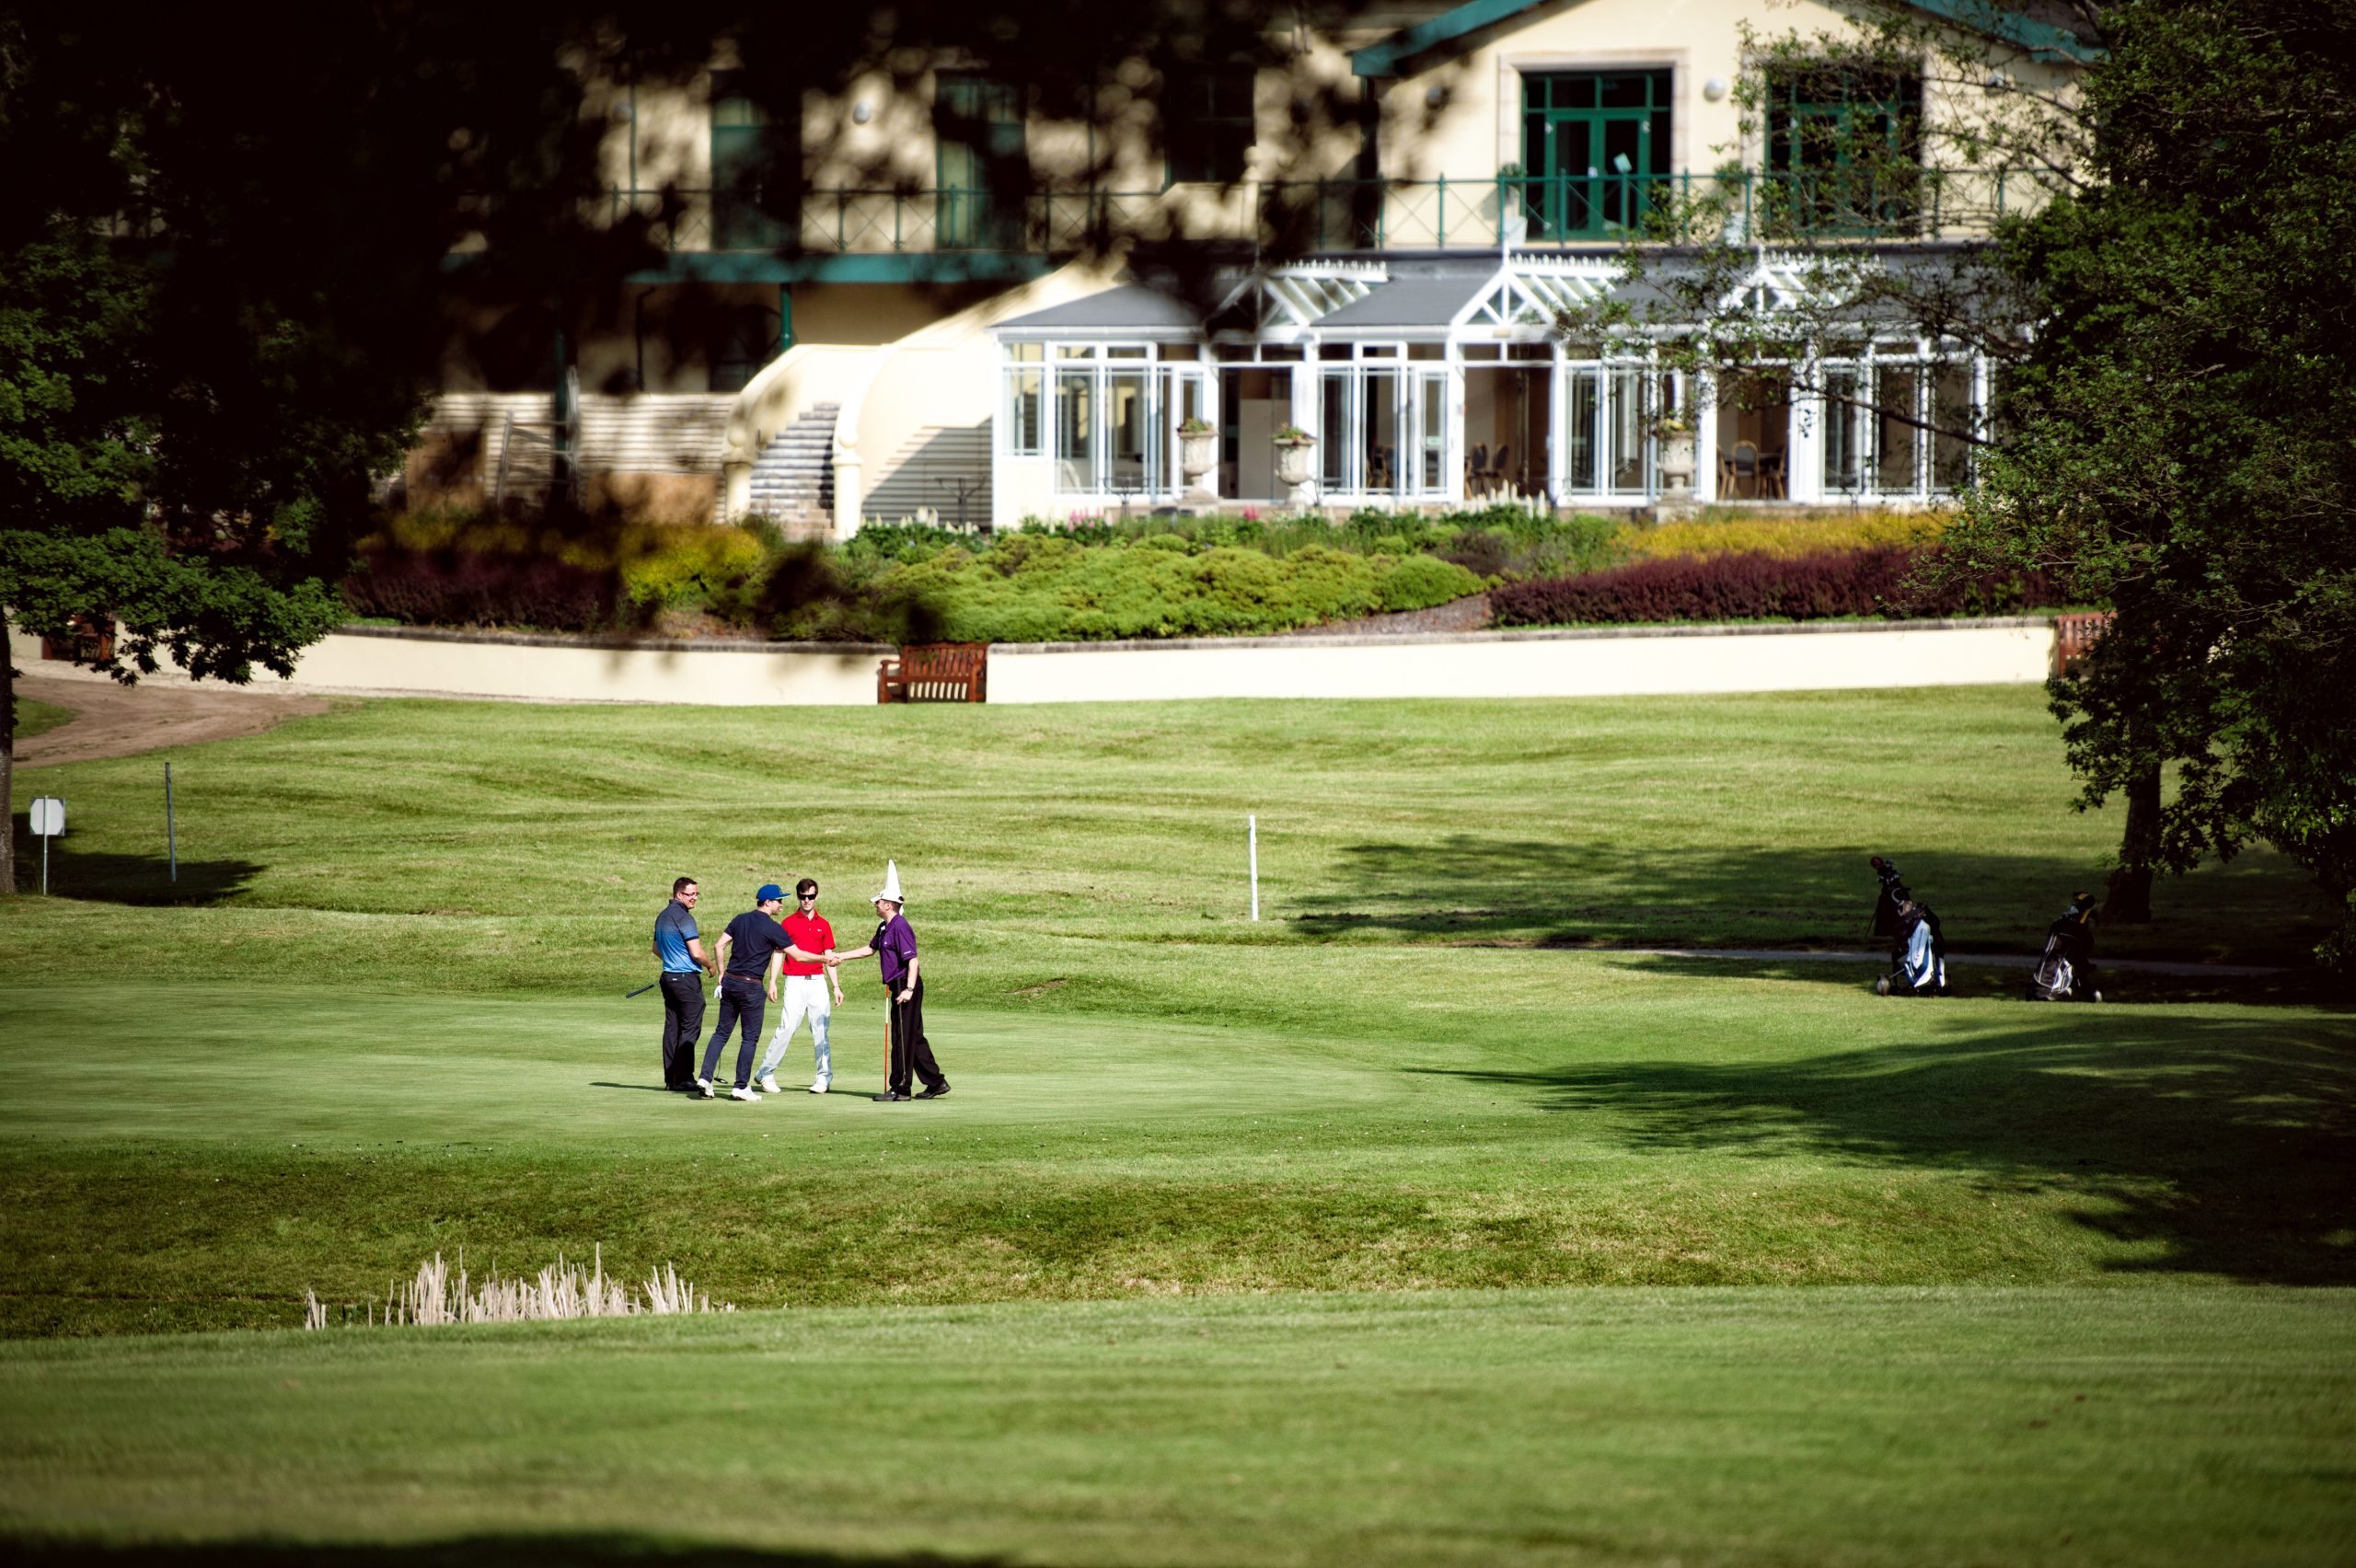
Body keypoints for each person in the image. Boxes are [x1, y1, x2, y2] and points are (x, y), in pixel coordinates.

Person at [699, 884, 833, 1101]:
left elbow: (718, 946)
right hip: (751, 986)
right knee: (749, 1038)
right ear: (768, 902)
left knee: (721, 1033)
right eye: (779, 900)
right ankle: (741, 1086)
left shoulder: (740, 919)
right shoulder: (773, 928)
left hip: (730, 982)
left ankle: (705, 1079)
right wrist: (824, 959)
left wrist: (722, 973)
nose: (781, 904)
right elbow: (797, 956)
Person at [833, 859, 948, 1102]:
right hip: (897, 985)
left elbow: (913, 961)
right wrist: (841, 956)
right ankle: (936, 1082)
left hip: (906, 985)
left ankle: (900, 1088)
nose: (875, 905)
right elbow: (869, 949)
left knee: (901, 1038)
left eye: (878, 902)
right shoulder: (884, 928)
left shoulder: (900, 927)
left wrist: (908, 989)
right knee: (913, 1037)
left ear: (888, 905)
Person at [756, 877, 845, 1094]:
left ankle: (823, 1078)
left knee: (820, 1030)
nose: (807, 901)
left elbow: (829, 957)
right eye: (803, 897)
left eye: (811, 897)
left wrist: (836, 986)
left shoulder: (823, 925)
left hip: (817, 982)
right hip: (794, 981)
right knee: (787, 1027)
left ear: (816, 896)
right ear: (798, 897)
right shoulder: (787, 923)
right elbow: (778, 953)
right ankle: (765, 1073)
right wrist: (773, 982)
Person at [652, 876, 715, 1091]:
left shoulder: (662, 917)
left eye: (697, 894)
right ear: (679, 895)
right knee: (690, 1028)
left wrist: (672, 960)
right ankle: (684, 1078)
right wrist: (711, 966)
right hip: (685, 980)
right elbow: (697, 953)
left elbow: (655, 949)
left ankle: (671, 1079)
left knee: (672, 1028)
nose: (695, 898)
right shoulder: (685, 918)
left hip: (668, 978)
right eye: (691, 894)